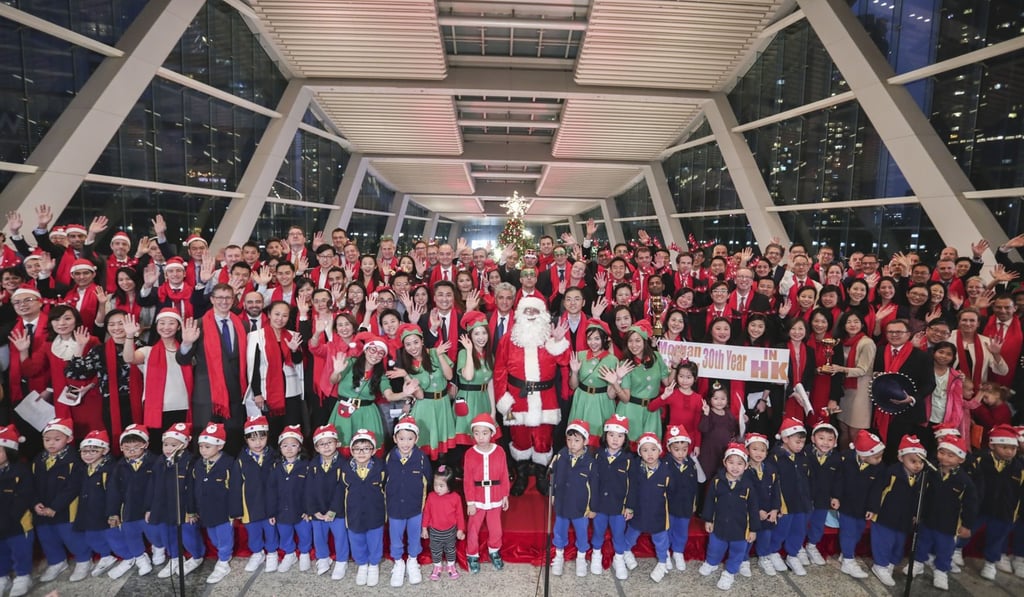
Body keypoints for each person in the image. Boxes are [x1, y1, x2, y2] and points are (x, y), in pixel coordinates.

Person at [494, 296, 571, 496]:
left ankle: (541, 476)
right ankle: (521, 476)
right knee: (519, 439)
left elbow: (564, 361)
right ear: (519, 314)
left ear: (543, 315)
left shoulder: (550, 337)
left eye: (535, 311)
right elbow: (499, 370)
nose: (530, 315)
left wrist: (559, 341)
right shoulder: (508, 339)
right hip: (515, 400)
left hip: (546, 399)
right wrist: (502, 398)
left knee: (543, 441)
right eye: (527, 311)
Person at [910, 433, 976, 591]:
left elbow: (970, 505)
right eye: (942, 452)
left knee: (945, 549)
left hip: (949, 524)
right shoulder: (930, 471)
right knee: (922, 543)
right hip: (927, 519)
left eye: (950, 455)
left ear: (960, 459)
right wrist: (916, 513)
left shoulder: (964, 481)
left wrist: (966, 525)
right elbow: (920, 494)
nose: (945, 458)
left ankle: (941, 571)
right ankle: (917, 563)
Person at [957, 424, 1022, 581]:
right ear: (992, 445)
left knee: (997, 538)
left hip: (1004, 511)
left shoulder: (1019, 468)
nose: (1009, 452)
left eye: (1013, 448)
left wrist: (1016, 512)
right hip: (979, 507)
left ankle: (990, 563)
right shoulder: (979, 460)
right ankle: (956, 550)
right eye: (1004, 447)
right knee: (967, 529)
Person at [33, 417, 91, 583]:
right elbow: (31, 484)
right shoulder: (38, 459)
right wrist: (35, 503)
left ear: (69, 438)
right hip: (42, 509)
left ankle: (83, 560)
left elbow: (73, 487)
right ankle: (57, 561)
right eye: (47, 439)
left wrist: (55, 507)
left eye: (57, 439)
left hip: (65, 509)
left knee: (70, 535)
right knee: (46, 537)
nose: (51, 443)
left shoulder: (74, 460)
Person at [385, 325, 454, 462]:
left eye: (416, 342)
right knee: (425, 444)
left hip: (443, 404)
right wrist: (406, 376)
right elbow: (420, 395)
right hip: (424, 407)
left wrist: (439, 355)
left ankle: (442, 472)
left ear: (422, 341)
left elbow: (449, 376)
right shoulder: (407, 364)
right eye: (408, 344)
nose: (413, 347)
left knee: (442, 447)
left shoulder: (435, 352)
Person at [865, 434, 927, 587]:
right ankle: (880, 565)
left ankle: (891, 563)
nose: (917, 465)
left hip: (904, 519)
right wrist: (872, 508)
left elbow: (918, 499)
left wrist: (915, 514)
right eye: (913, 461)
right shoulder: (891, 473)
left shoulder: (921, 478)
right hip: (885, 516)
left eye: (921, 462)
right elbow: (877, 490)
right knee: (884, 542)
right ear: (901, 458)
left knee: (898, 543)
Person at [124, 310, 192, 445]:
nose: (166, 327)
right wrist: (130, 336)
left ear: (179, 327)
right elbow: (129, 358)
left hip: (182, 406)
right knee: (157, 446)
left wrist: (188, 343)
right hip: (157, 410)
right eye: (162, 323)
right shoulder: (147, 351)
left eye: (171, 323)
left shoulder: (186, 351)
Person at [699, 442, 759, 591]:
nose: (735, 467)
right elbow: (709, 502)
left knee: (737, 552)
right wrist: (708, 519)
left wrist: (753, 529)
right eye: (731, 462)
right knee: (714, 547)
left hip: (740, 529)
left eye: (740, 463)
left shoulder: (748, 485)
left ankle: (730, 572)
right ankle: (711, 563)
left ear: (746, 466)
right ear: (724, 462)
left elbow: (753, 508)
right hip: (719, 525)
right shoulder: (717, 481)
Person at [105, 424, 160, 579]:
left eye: (136, 447)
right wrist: (113, 512)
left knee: (154, 533)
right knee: (131, 535)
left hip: (150, 508)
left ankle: (158, 548)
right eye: (127, 448)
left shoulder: (156, 462)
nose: (131, 451)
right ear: (121, 448)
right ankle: (140, 558)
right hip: (129, 509)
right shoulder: (119, 467)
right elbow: (113, 491)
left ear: (145, 445)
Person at [246, 301, 305, 440]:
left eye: (284, 315)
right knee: (271, 432)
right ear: (269, 315)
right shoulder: (256, 336)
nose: (280, 318)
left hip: (291, 391)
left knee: (292, 431)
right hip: (267, 391)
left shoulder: (292, 335)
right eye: (277, 314)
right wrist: (257, 393)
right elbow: (253, 367)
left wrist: (294, 350)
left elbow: (297, 361)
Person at [151, 423, 203, 579]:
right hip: (164, 507)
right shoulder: (160, 462)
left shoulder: (190, 462)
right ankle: (175, 557)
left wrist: (191, 510)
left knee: (189, 535)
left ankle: (196, 556)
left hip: (184, 507)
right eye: (165, 444)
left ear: (184, 444)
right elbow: (152, 486)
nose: (168, 448)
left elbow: (193, 488)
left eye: (173, 445)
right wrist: (149, 508)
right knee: (168, 535)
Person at [832, 430, 885, 579]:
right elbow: (838, 480)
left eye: (881, 456)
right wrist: (835, 497)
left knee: (858, 531)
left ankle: (845, 553)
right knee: (848, 531)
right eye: (876, 457)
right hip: (846, 504)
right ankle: (848, 560)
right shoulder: (846, 459)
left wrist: (872, 508)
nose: (880, 460)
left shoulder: (879, 468)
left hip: (862, 507)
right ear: (863, 456)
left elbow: (877, 490)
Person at [385, 416, 431, 587]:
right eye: (402, 439)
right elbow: (384, 482)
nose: (405, 443)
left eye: (410, 439)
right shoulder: (389, 458)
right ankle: (398, 562)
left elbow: (428, 480)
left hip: (415, 508)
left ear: (416, 439)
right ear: (395, 438)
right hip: (395, 508)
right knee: (396, 537)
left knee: (414, 536)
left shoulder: (421, 458)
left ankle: (412, 560)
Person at [549, 420, 597, 578]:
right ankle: (559, 555)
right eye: (569, 440)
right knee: (559, 530)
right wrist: (553, 495)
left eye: (576, 440)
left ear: (585, 441)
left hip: (580, 506)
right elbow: (554, 478)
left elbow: (594, 486)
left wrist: (593, 507)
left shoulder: (590, 462)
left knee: (581, 532)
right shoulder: (561, 455)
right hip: (562, 503)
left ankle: (581, 557)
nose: (572, 444)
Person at [624, 432, 673, 583]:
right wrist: (629, 507)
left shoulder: (667, 470)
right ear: (640, 452)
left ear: (660, 450)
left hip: (658, 514)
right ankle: (625, 552)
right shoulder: (636, 468)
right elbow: (631, 489)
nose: (649, 454)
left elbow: (672, 493)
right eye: (645, 450)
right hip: (639, 511)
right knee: (631, 535)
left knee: (661, 540)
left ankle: (663, 562)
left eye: (653, 449)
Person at [462, 413, 509, 574]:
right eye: (476, 433)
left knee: (496, 529)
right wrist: (470, 502)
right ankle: (472, 554)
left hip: (495, 496)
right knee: (473, 528)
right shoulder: (470, 453)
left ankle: (494, 551)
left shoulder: (500, 451)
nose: (480, 437)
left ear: (491, 433)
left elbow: (504, 474)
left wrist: (505, 495)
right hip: (477, 498)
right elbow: (468, 480)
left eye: (484, 433)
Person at [327, 332, 388, 455]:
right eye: (373, 350)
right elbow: (333, 380)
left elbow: (389, 395)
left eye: (380, 353)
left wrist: (405, 393)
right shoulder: (350, 362)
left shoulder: (380, 373)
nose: (375, 355)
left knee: (367, 448)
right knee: (342, 445)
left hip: (367, 413)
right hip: (344, 411)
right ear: (365, 350)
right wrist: (336, 371)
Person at [191, 423, 236, 585]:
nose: (203, 450)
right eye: (201, 446)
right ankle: (223, 554)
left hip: (223, 511)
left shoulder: (229, 463)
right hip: (206, 510)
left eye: (207, 447)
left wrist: (234, 511)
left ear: (220, 446)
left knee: (224, 537)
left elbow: (234, 489)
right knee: (213, 537)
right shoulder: (198, 464)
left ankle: (223, 561)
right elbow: (195, 487)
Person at [609, 321, 669, 443]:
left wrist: (676, 366)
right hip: (630, 411)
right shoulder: (625, 364)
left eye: (637, 341)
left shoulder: (656, 357)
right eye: (630, 341)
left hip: (652, 411)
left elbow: (667, 383)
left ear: (644, 341)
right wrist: (616, 381)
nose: (633, 345)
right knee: (630, 447)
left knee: (650, 447)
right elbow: (625, 398)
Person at [767, 417, 812, 576]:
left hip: (802, 501)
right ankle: (773, 552)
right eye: (797, 442)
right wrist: (776, 504)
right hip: (784, 503)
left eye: (802, 442)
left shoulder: (803, 456)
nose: (800, 446)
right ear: (785, 439)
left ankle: (792, 554)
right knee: (781, 529)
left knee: (799, 530)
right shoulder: (775, 457)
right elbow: (773, 483)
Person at [341, 429, 386, 587]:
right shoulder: (345, 469)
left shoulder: (381, 468)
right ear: (351, 450)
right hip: (354, 514)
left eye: (366, 448)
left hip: (375, 513)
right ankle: (362, 564)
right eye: (357, 449)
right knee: (357, 539)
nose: (361, 453)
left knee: (375, 540)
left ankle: (373, 565)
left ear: (373, 450)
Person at [590, 414, 633, 578]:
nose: (615, 439)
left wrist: (629, 506)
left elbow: (633, 486)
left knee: (618, 533)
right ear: (605, 435)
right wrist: (590, 504)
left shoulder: (629, 460)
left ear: (625, 438)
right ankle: (596, 554)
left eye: (620, 436)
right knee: (598, 531)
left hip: (618, 507)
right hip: (599, 506)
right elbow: (591, 482)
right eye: (611, 435)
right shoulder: (596, 455)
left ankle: (619, 558)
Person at [566, 319, 619, 449]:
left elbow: (612, 395)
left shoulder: (612, 360)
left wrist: (616, 380)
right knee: (578, 437)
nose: (593, 342)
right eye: (590, 339)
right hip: (582, 399)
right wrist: (574, 372)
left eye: (597, 339)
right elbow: (573, 386)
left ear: (604, 339)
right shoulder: (580, 355)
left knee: (599, 440)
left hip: (601, 402)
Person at [235, 416, 279, 574]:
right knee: (253, 531)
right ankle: (257, 553)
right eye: (253, 439)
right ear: (246, 440)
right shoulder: (241, 461)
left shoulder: (275, 458)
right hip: (250, 505)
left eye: (262, 438)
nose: (258, 443)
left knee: (270, 530)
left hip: (269, 505)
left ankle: (272, 553)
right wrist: (236, 510)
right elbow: (235, 486)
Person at [305, 424, 348, 580]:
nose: (326, 446)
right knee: (319, 536)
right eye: (322, 444)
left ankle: (342, 561)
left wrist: (333, 510)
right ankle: (323, 557)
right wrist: (313, 510)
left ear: (337, 443)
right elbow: (308, 489)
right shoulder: (313, 465)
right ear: (316, 448)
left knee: (340, 536)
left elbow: (342, 488)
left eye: (330, 442)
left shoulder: (344, 464)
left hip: (337, 510)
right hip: (319, 509)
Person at [267, 425, 311, 573]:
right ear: (280, 448)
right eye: (285, 445)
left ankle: (304, 553)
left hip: (300, 511)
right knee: (285, 533)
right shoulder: (276, 467)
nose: (289, 449)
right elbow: (271, 491)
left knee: (304, 533)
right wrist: (271, 512)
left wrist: (308, 510)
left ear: (299, 447)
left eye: (293, 445)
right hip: (281, 511)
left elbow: (309, 491)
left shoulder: (306, 466)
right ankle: (290, 554)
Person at [829, 311, 876, 448]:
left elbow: (862, 370)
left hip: (861, 391)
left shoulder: (867, 343)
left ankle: (857, 458)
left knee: (856, 432)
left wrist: (840, 369)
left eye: (856, 322)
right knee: (843, 428)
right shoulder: (842, 342)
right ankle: (844, 457)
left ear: (862, 324)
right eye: (848, 322)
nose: (852, 325)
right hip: (846, 390)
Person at [74, 430, 117, 577]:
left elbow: (113, 493)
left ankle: (109, 556)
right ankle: (105, 556)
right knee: (91, 537)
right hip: (88, 510)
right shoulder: (84, 468)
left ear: (104, 451)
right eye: (84, 451)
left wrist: (112, 512)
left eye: (93, 451)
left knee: (109, 536)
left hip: (103, 510)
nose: (88, 455)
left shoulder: (110, 469)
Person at [0, 424, 34, 597]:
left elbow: (24, 496)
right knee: (1, 551)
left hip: (18, 521)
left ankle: (23, 575)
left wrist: (10, 517)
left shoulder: (21, 470)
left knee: (20, 549)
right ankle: (2, 577)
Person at [453, 312, 495, 446]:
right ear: (470, 336)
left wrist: (493, 411)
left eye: (484, 333)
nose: (481, 337)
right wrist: (469, 350)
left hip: (484, 399)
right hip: (469, 401)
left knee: (485, 440)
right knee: (469, 439)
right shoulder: (463, 353)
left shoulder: (490, 356)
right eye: (476, 334)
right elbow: (468, 376)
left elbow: (490, 384)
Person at [664, 425, 700, 572]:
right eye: (676, 449)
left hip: (685, 505)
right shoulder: (665, 465)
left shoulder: (691, 465)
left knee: (682, 530)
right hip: (669, 505)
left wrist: (694, 502)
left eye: (684, 449)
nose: (681, 453)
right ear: (669, 448)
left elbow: (695, 486)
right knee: (667, 529)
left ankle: (678, 551)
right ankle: (665, 552)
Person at [804, 421, 840, 567]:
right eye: (821, 438)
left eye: (830, 439)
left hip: (823, 498)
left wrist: (835, 496)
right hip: (805, 497)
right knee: (801, 523)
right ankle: (797, 548)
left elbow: (838, 480)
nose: (825, 442)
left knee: (818, 523)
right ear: (813, 439)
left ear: (835, 442)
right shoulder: (805, 453)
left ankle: (812, 545)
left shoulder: (837, 459)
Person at [744, 432, 779, 577]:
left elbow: (776, 490)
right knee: (748, 537)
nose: (759, 453)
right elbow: (745, 494)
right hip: (750, 512)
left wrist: (775, 509)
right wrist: (757, 510)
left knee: (766, 536)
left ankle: (764, 557)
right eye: (755, 449)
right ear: (747, 450)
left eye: (763, 450)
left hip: (768, 512)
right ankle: (743, 559)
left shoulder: (770, 469)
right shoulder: (744, 470)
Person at [648, 360, 704, 452]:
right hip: (672, 437)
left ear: (695, 378)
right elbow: (651, 407)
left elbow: (697, 424)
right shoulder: (672, 393)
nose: (684, 380)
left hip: (688, 440)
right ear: (676, 376)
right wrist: (664, 396)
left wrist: (697, 445)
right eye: (681, 376)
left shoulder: (698, 398)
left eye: (688, 377)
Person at [421, 465, 465, 581]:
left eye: (441, 486)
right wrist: (424, 528)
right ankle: (437, 566)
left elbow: (459, 515)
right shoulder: (431, 496)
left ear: (450, 486)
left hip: (450, 531)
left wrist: (460, 529)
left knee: (450, 549)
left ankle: (451, 565)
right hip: (434, 531)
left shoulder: (455, 497)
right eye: (435, 485)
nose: (437, 488)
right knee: (435, 550)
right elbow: (427, 513)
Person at [698, 381, 739, 481]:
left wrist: (744, 421)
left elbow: (734, 429)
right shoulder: (709, 413)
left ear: (727, 400)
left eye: (723, 399)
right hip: (709, 452)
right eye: (715, 399)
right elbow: (703, 428)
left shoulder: (728, 413)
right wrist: (706, 414)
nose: (719, 402)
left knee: (721, 475)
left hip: (723, 451)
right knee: (707, 475)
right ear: (710, 399)